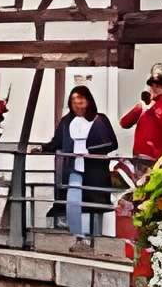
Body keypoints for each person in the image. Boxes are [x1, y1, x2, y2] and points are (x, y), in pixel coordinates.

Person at [47, 85, 118, 238]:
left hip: (94, 169)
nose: (77, 103)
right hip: (74, 167)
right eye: (73, 100)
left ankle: (95, 237)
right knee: (72, 201)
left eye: (80, 99)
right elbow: (57, 142)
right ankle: (77, 235)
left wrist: (92, 150)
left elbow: (113, 143)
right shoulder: (67, 121)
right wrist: (42, 148)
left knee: (95, 203)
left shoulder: (100, 119)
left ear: (88, 100)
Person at [121, 73, 162, 169]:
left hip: (156, 160)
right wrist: (139, 108)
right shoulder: (144, 106)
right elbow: (124, 123)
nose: (153, 88)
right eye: (151, 86)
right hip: (138, 157)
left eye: (157, 86)